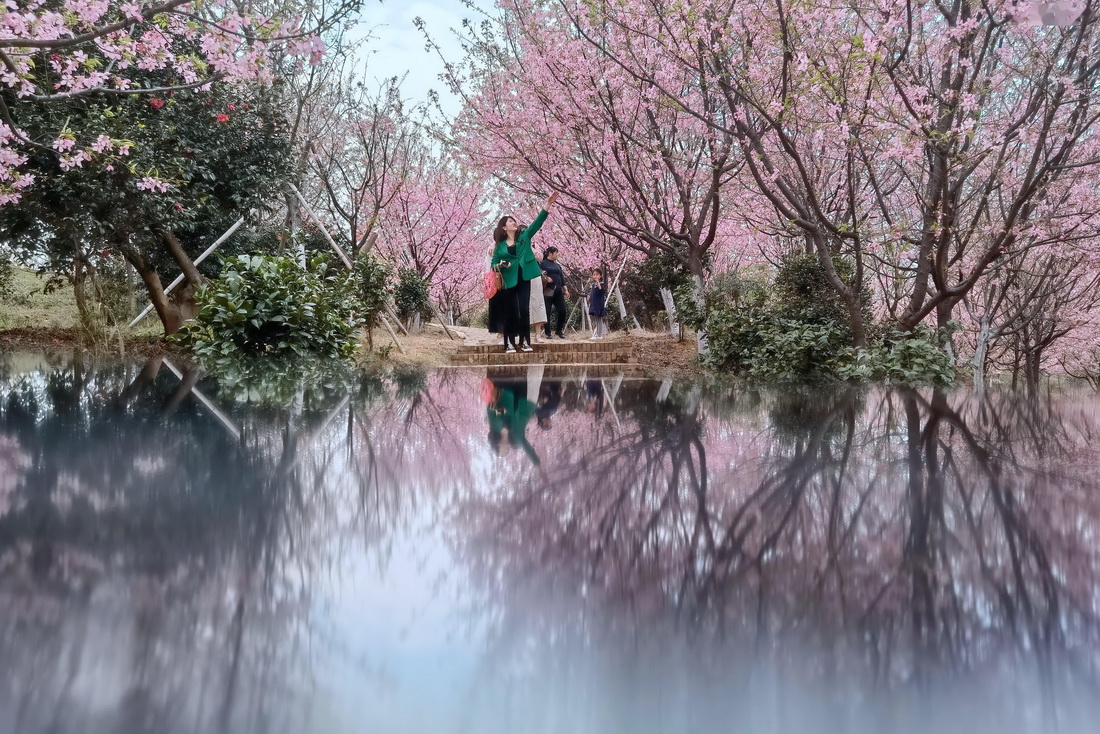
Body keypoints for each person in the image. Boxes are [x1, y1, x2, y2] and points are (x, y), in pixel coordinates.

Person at [491, 192, 559, 352]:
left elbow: (537, 223)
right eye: (510, 221)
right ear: (503, 227)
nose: (514, 223)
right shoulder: (499, 246)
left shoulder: (524, 236)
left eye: (514, 220)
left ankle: (525, 341)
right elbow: (493, 265)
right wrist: (500, 264)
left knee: (523, 309)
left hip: (524, 278)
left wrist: (547, 206)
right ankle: (508, 343)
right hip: (508, 280)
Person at [540, 246, 570, 339]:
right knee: (547, 312)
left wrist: (566, 290)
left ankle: (559, 331)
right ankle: (548, 333)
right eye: (556, 253)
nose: (557, 255)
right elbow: (539, 272)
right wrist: (546, 278)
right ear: (550, 253)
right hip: (547, 291)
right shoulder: (543, 263)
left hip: (558, 292)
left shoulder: (557, 265)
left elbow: (562, 279)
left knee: (562, 311)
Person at [587, 267, 608, 339]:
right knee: (597, 319)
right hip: (594, 304)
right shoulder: (593, 285)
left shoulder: (601, 284)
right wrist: (589, 297)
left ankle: (599, 335)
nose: (595, 276)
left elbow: (601, 290)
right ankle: (597, 334)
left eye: (597, 274)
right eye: (594, 274)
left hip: (599, 305)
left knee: (599, 319)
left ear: (600, 276)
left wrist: (598, 282)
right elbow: (592, 293)